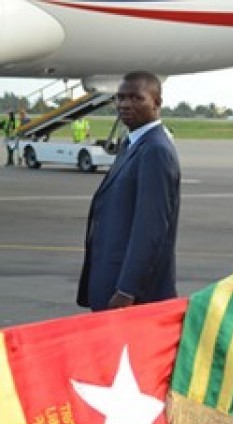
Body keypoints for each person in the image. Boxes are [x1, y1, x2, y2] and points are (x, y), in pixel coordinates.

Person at [76, 71, 180, 311]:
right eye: (120, 98)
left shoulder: (156, 151)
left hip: (131, 295)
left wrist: (127, 290)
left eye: (135, 98)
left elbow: (150, 230)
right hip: (110, 282)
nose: (124, 105)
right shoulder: (132, 143)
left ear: (157, 103)